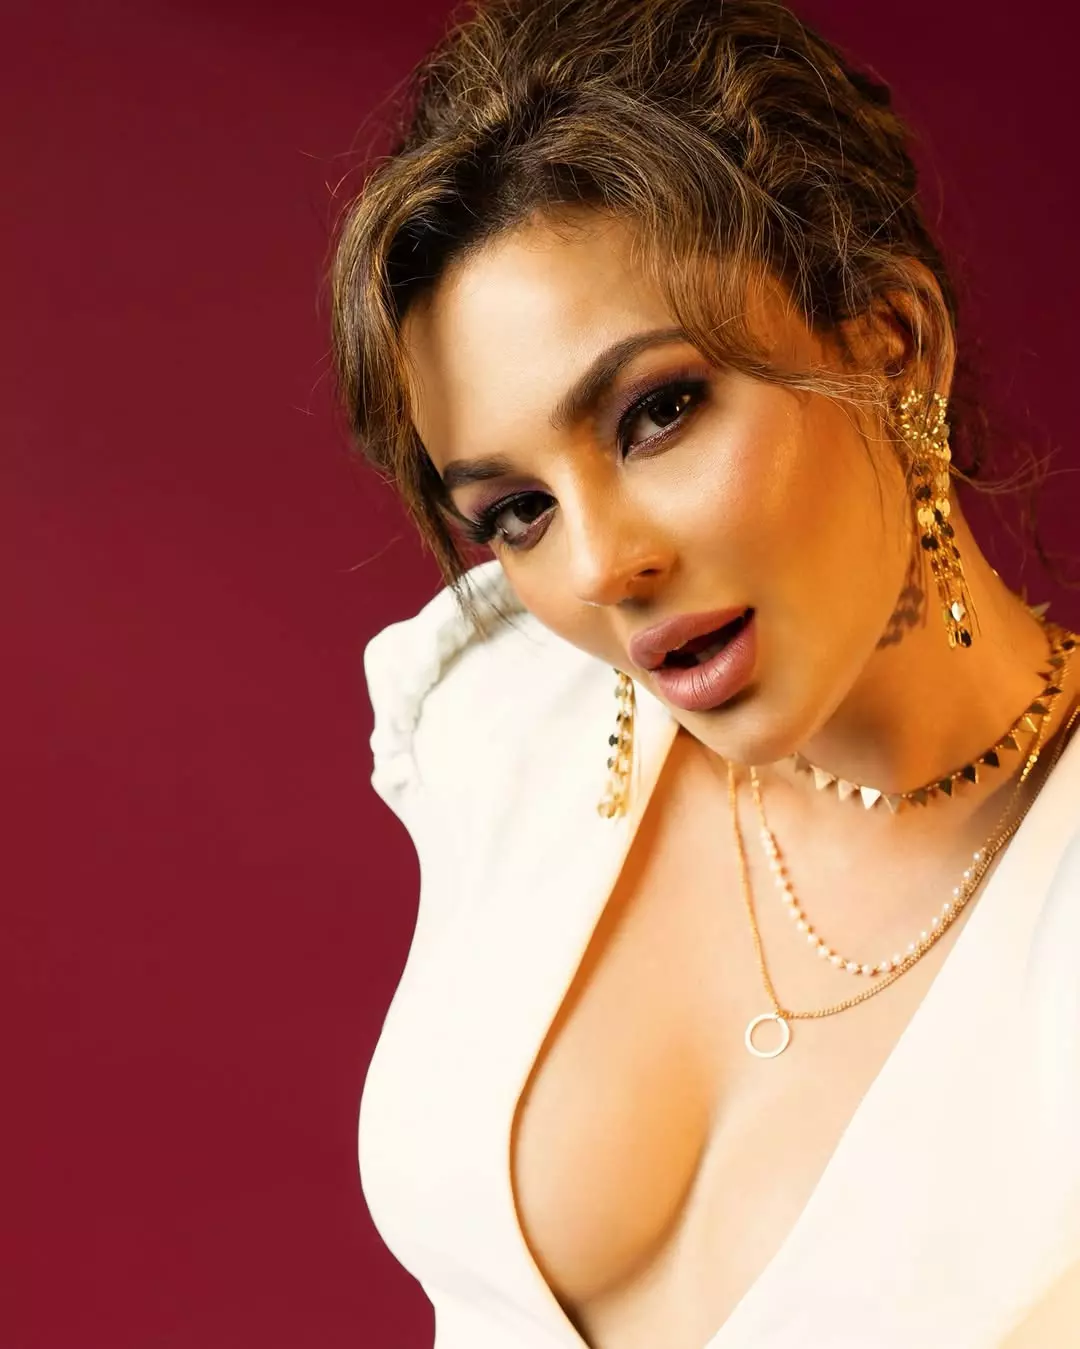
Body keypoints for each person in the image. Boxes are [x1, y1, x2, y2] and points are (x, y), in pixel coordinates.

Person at [329, 1, 1080, 1344]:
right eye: (516, 511)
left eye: (658, 412)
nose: (601, 566)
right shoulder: (508, 718)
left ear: (891, 341)